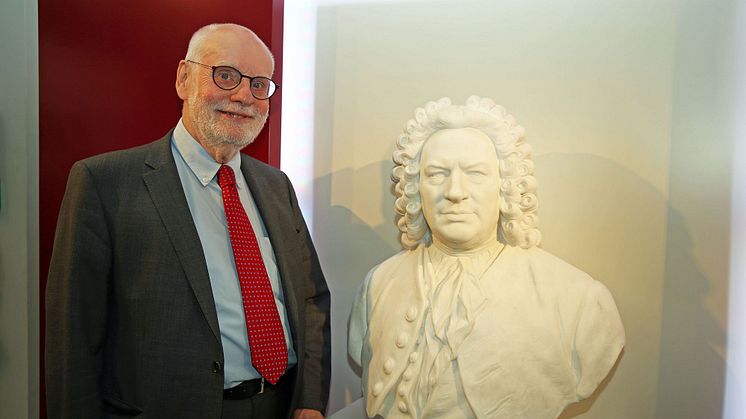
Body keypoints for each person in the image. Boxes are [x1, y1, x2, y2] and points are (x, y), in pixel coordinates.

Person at [46, 23, 330, 419]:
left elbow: (310, 299)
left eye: (260, 84)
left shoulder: (276, 186)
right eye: (226, 75)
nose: (243, 96)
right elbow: (73, 337)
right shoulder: (105, 184)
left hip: (280, 405)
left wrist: (311, 400)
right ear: (184, 78)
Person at [348, 96, 624, 418]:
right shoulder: (379, 285)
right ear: (415, 188)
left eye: (476, 174)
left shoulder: (576, 300)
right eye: (436, 174)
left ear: (505, 187)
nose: (454, 191)